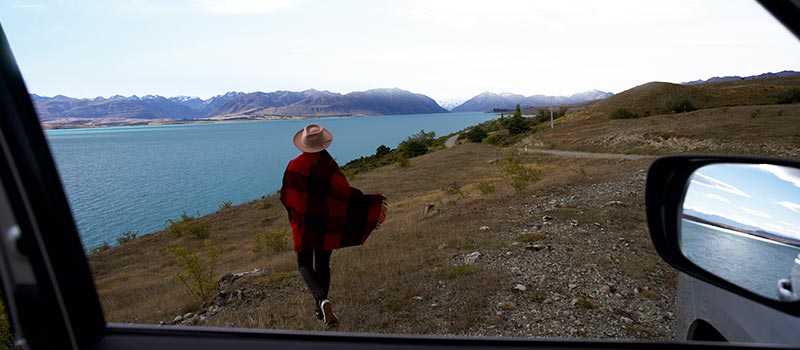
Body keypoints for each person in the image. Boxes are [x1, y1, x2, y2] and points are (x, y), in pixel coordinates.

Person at [279, 124, 387, 327]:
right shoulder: (327, 164)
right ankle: (321, 308)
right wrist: (365, 201)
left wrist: (297, 215)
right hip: (325, 226)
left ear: (303, 145)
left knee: (303, 264)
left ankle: (321, 301)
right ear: (322, 144)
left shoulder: (293, 166)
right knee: (322, 265)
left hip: (303, 225)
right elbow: (343, 192)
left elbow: (286, 196)